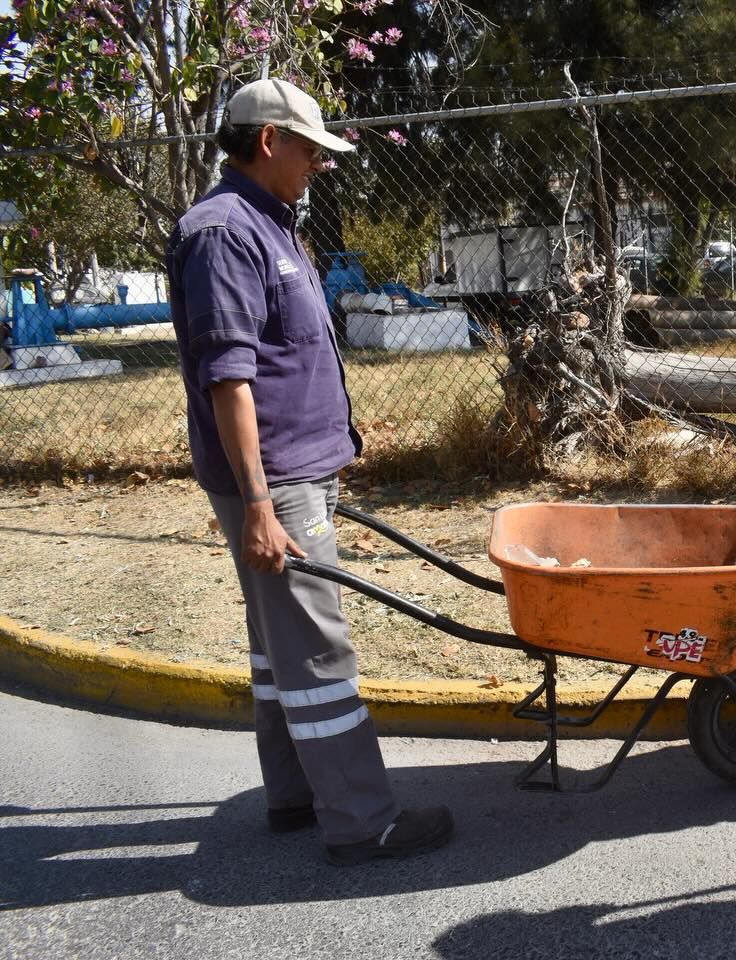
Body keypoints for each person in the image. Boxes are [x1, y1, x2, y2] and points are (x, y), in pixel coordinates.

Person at [167, 78, 453, 866]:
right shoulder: (227, 233)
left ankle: (295, 793)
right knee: (320, 649)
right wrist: (260, 502)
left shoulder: (270, 223)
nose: (320, 165)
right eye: (310, 150)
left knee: (278, 641)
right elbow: (228, 378)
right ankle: (364, 821)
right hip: (277, 483)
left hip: (294, 475)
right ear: (268, 142)